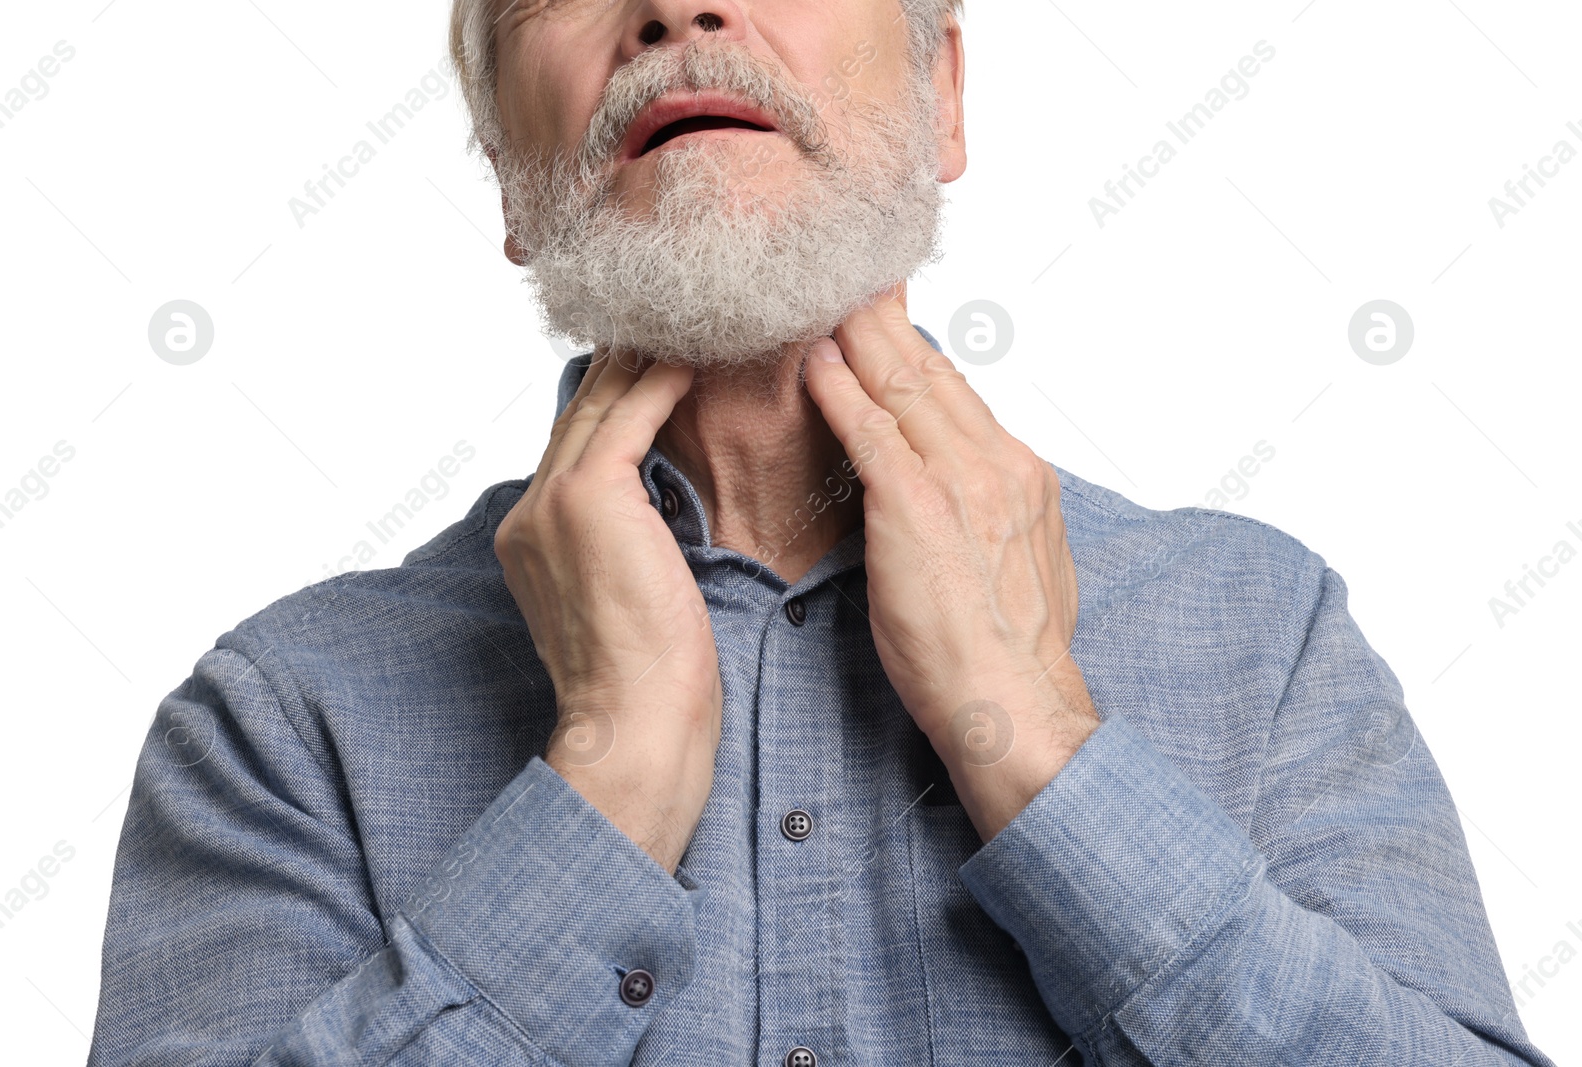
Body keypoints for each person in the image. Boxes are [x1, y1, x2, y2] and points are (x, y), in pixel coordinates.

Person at [87, 1, 1555, 1064]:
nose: (675, 12)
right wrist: (603, 776)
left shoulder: (1265, 628)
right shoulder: (281, 719)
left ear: (946, 98)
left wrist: (1036, 744)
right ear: (502, 173)